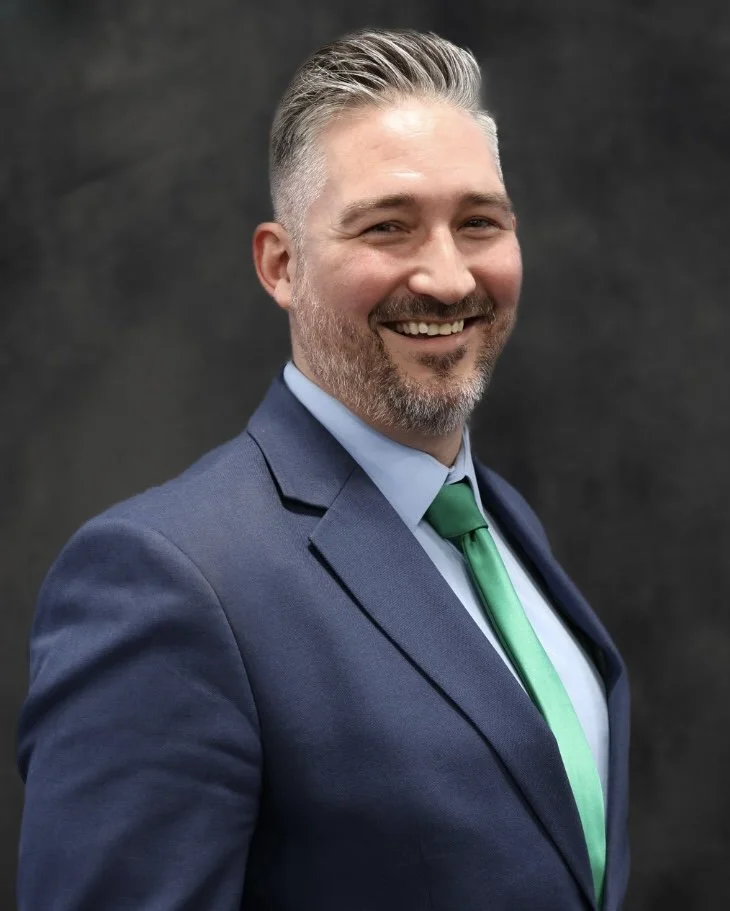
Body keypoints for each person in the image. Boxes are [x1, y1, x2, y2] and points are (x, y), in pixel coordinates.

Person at [17, 27, 630, 911]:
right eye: (388, 226)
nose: (450, 276)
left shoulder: (501, 524)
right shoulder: (165, 584)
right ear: (282, 265)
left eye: (480, 223)